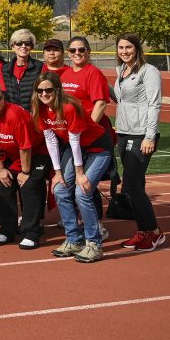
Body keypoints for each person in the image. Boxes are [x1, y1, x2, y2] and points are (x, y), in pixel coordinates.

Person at [34, 72, 112, 264]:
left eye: (48, 90)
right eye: (40, 90)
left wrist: (80, 174)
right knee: (59, 189)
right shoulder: (40, 109)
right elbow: (51, 141)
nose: (44, 94)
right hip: (75, 149)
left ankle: (94, 243)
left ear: (57, 90)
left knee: (82, 191)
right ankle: (73, 239)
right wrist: (57, 173)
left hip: (98, 148)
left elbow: (75, 140)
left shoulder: (69, 107)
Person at [0, 81, 50, 249]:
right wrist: (0, 169)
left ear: (3, 98)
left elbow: (26, 148)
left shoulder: (15, 115)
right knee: (3, 183)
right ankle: (7, 230)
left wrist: (24, 172)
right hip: (9, 154)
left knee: (28, 185)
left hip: (36, 152)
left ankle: (31, 231)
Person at [113, 33, 166, 252]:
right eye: (120, 47)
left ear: (137, 49)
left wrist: (149, 136)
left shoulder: (148, 71)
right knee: (136, 186)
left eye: (128, 47)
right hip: (123, 133)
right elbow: (122, 100)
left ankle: (154, 232)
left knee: (132, 185)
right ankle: (142, 231)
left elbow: (154, 104)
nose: (124, 51)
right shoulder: (120, 71)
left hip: (141, 136)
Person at [62, 35, 116, 221]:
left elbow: (100, 104)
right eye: (73, 50)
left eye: (81, 50)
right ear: (68, 53)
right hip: (73, 138)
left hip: (93, 138)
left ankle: (95, 227)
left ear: (88, 52)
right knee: (63, 186)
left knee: (84, 188)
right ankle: (73, 229)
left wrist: (87, 130)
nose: (77, 53)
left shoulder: (93, 73)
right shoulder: (65, 74)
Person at [1, 28, 44, 109]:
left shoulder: (39, 67)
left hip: (32, 117)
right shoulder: (5, 69)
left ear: (31, 47)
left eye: (27, 43)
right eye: (19, 43)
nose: (23, 46)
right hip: (12, 116)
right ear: (12, 47)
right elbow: (3, 95)